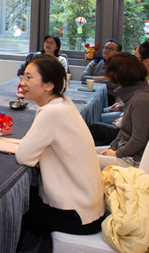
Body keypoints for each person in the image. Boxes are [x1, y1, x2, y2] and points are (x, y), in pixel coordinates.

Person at [15, 54, 105, 240]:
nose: (22, 83)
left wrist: (37, 157)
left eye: (29, 78)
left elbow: (23, 156)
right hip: (89, 207)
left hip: (75, 213)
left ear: (49, 85)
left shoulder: (52, 112)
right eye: (23, 76)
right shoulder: (63, 102)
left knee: (14, 206)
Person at [96, 52, 149, 169]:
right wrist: (113, 146)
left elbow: (138, 139)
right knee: (83, 152)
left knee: (83, 159)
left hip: (133, 160)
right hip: (126, 152)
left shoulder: (141, 100)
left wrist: (116, 153)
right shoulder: (137, 93)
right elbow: (125, 130)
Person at [81, 39, 122, 105]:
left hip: (107, 95)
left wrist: (93, 81)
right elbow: (83, 78)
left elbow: (115, 84)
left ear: (118, 52)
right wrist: (103, 78)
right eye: (105, 48)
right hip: (90, 91)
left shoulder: (121, 66)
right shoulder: (95, 62)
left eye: (111, 49)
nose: (107, 50)